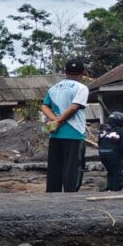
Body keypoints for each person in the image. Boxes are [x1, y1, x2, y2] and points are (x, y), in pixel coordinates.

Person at [41, 58, 89, 192]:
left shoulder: (54, 88)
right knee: (73, 167)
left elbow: (44, 106)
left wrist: (54, 120)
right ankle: (70, 197)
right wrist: (58, 121)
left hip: (55, 135)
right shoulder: (81, 88)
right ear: (82, 73)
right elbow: (74, 108)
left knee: (55, 167)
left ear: (65, 72)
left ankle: (52, 195)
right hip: (74, 134)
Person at [97, 111, 123, 191]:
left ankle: (110, 187)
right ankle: (116, 189)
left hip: (102, 155)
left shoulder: (103, 131)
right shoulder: (121, 132)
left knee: (110, 171)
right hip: (113, 155)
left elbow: (99, 143)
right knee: (117, 172)